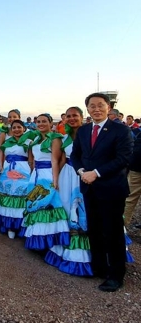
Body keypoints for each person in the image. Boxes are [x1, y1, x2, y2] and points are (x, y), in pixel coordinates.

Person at [71, 92, 132, 292]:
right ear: (87, 109)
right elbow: (75, 155)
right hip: (89, 188)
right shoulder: (83, 131)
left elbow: (123, 158)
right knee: (94, 229)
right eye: (92, 106)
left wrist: (96, 173)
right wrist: (81, 171)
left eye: (100, 105)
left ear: (108, 107)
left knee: (113, 232)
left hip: (111, 188)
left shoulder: (120, 130)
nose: (96, 109)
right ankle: (99, 268)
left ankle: (116, 275)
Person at [45, 107, 92, 276]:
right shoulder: (63, 138)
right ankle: (69, 250)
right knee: (67, 208)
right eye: (69, 116)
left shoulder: (91, 134)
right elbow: (60, 161)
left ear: (82, 117)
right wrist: (56, 181)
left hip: (88, 175)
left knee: (86, 209)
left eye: (75, 116)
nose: (72, 119)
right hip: (69, 175)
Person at [22, 114, 69, 250]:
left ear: (51, 123)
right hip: (36, 175)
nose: (41, 124)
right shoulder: (36, 139)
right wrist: (32, 172)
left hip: (48, 174)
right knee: (34, 203)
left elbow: (57, 160)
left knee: (48, 204)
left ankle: (50, 240)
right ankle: (36, 238)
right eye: (38, 122)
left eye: (44, 121)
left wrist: (55, 179)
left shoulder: (55, 139)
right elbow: (34, 159)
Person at [0, 119, 32, 239]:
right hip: (7, 171)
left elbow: (31, 159)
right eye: (14, 128)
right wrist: (1, 166)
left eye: (19, 127)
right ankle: (9, 226)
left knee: (21, 197)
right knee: (7, 197)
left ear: (24, 128)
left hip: (23, 172)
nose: (17, 130)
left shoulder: (29, 142)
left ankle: (21, 226)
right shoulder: (7, 142)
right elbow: (2, 155)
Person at [124, 126, 141, 226]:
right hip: (136, 169)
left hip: (136, 168)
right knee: (130, 199)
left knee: (130, 199)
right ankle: (121, 229)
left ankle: (121, 229)